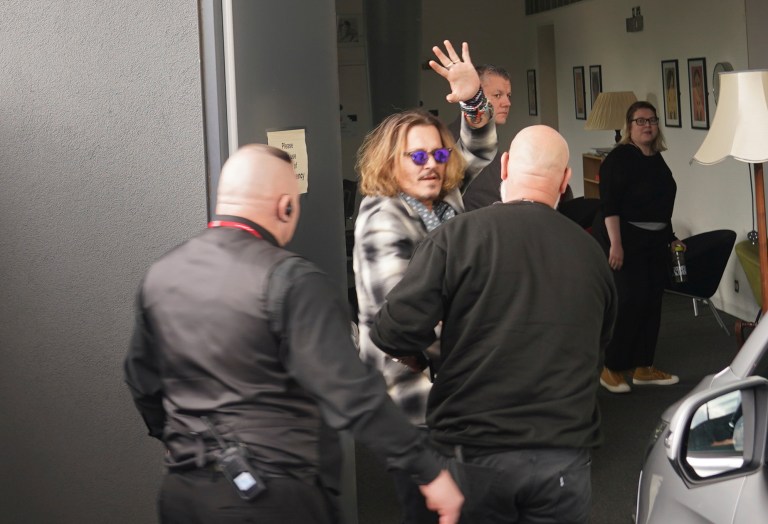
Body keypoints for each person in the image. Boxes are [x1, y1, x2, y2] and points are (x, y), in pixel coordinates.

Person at [124, 144, 463, 524]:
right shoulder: (291, 280)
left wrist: (185, 444)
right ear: (286, 206)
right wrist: (428, 471)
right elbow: (352, 394)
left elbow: (142, 382)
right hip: (272, 497)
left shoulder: (162, 275)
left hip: (182, 494)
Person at [370, 125, 617, 524]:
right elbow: (599, 343)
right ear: (567, 180)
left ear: (504, 167)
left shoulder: (457, 238)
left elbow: (390, 330)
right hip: (564, 458)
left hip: (476, 454)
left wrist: (416, 353)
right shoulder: (592, 254)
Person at [353, 40, 494, 523]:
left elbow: (477, 146)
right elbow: (402, 321)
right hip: (411, 401)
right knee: (430, 511)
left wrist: (474, 99)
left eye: (436, 152)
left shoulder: (440, 198)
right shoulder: (383, 220)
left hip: (449, 393)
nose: (430, 163)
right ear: (391, 164)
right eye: (416, 157)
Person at [592, 101, 685, 394]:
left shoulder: (656, 158)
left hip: (655, 242)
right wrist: (616, 245)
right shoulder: (619, 159)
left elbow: (661, 207)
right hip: (625, 239)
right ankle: (611, 367)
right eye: (640, 120)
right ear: (629, 126)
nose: (647, 125)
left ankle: (644, 367)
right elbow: (610, 205)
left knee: (651, 301)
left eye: (652, 120)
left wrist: (671, 238)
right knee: (629, 301)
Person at [449, 63, 512, 210]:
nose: (507, 103)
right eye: (497, 95)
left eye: (508, 95)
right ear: (473, 96)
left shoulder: (492, 144)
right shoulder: (448, 143)